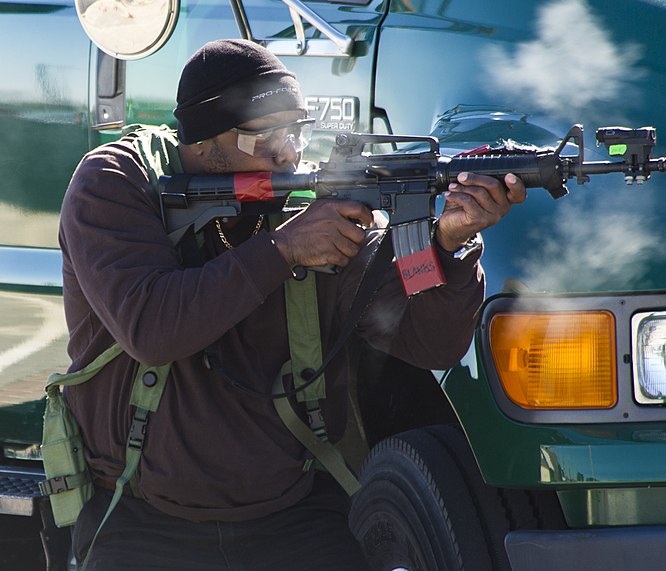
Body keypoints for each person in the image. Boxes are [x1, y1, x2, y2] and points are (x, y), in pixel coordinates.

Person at [58, 38, 527, 569]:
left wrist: (448, 246)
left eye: (296, 132)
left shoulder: (307, 203)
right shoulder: (117, 182)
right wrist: (282, 250)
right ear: (205, 140)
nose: (288, 153)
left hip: (291, 515)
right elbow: (152, 329)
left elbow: (429, 342)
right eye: (267, 136)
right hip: (141, 519)